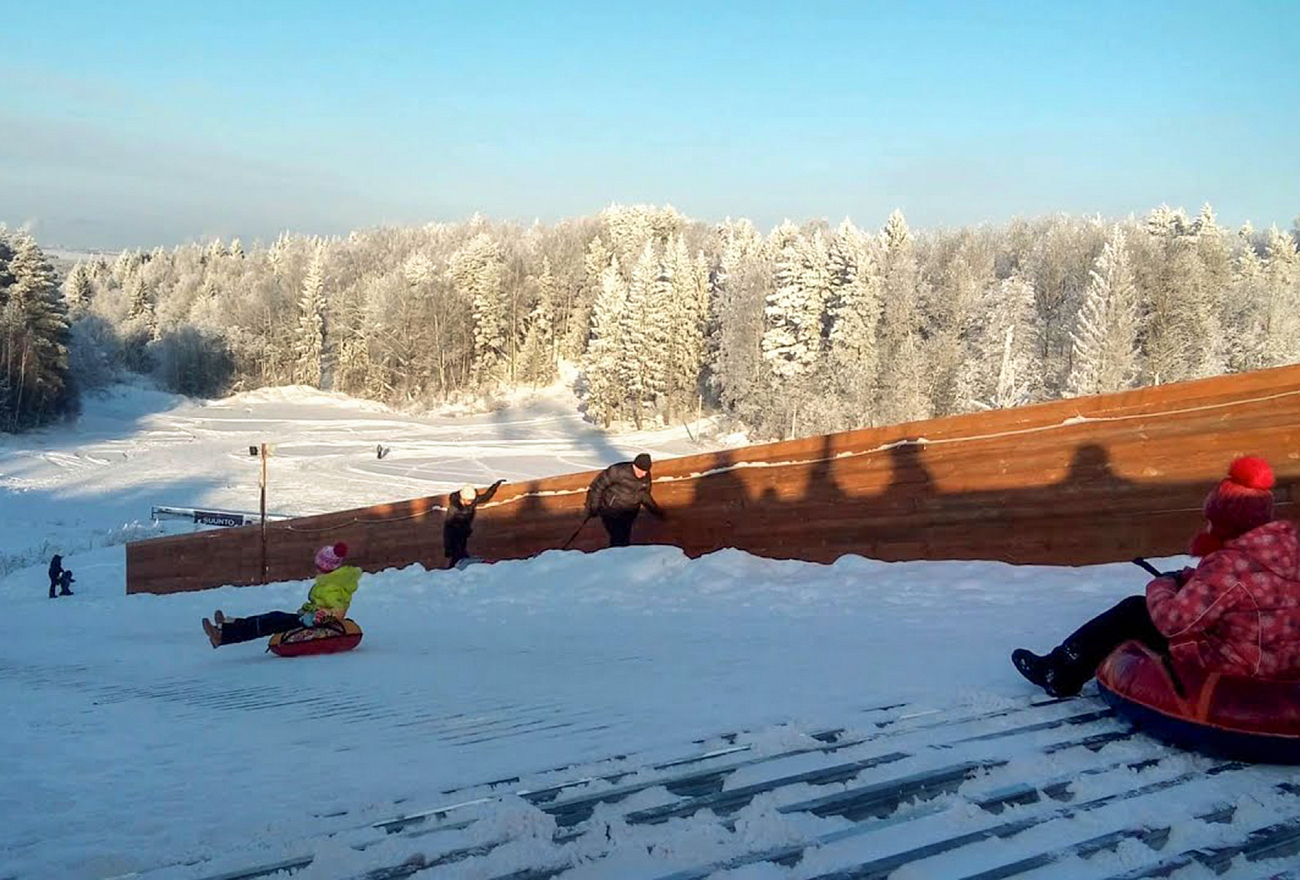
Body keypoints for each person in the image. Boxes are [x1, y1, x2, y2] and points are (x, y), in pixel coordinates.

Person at [1012, 455, 1300, 697]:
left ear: (1228, 521)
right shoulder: (1286, 549)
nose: (1209, 526)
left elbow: (1173, 622)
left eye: (1213, 520)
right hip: (1283, 660)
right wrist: (1193, 579)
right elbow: (1247, 595)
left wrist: (1161, 586)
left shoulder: (1229, 565)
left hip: (1239, 665)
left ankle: (1058, 672)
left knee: (1134, 610)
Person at [202, 543, 360, 649]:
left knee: (271, 621)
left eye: (318, 567)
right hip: (306, 617)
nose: (316, 570)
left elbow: (339, 611)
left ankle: (223, 636)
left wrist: (317, 616)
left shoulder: (332, 587)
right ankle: (228, 625)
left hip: (311, 622)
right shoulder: (328, 583)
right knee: (273, 617)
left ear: (326, 568)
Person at [583, 453, 665, 548]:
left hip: (630, 512)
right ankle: (616, 558)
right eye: (641, 471)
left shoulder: (645, 477)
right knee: (618, 538)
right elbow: (597, 487)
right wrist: (594, 506)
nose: (643, 474)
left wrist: (656, 511)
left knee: (624, 538)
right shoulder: (617, 471)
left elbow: (644, 495)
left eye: (646, 471)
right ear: (634, 465)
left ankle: (621, 557)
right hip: (611, 510)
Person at [444, 479, 505, 568]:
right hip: (454, 532)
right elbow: (447, 529)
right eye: (468, 501)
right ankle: (451, 571)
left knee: (462, 552)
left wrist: (495, 486)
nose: (470, 503)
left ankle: (463, 564)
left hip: (464, 530)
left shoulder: (472, 501)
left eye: (471, 500)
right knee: (456, 554)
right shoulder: (454, 508)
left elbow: (485, 497)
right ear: (462, 498)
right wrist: (447, 548)